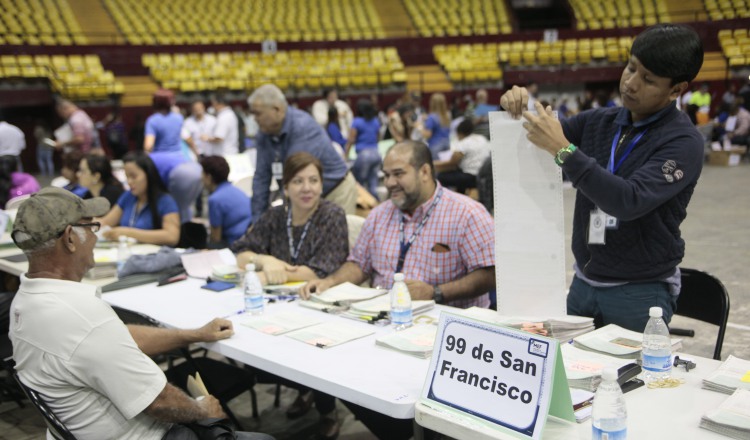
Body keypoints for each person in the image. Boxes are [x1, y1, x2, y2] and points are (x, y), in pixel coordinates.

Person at [8, 187, 272, 440]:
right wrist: (203, 409)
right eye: (91, 227)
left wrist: (191, 335)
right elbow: (160, 402)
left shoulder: (26, 303)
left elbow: (115, 338)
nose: (96, 238)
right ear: (69, 239)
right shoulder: (81, 317)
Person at [500, 23, 705, 332]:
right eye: (631, 68)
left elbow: (628, 200)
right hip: (584, 281)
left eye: (648, 79)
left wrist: (564, 151)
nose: (631, 83)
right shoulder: (600, 121)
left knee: (628, 378)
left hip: (640, 290)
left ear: (676, 90)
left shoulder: (683, 142)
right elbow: (541, 137)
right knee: (569, 371)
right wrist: (517, 108)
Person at [301, 141, 494, 439]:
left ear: (426, 171)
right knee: (333, 371)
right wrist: (328, 282)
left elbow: (490, 274)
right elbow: (359, 264)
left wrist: (436, 292)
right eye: (386, 175)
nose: (389, 182)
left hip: (447, 341)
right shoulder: (379, 216)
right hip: (381, 332)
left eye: (398, 174)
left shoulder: (467, 213)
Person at [232, 152, 348, 440]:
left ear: (322, 184)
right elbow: (241, 251)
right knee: (256, 356)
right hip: (275, 305)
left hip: (318, 305)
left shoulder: (332, 215)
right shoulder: (276, 214)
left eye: (313, 180)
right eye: (298, 181)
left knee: (312, 350)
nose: (306, 188)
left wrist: (276, 273)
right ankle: (305, 389)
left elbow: (321, 270)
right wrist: (263, 261)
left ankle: (326, 409)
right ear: (285, 187)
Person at [248, 84, 357, 219]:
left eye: (258, 113)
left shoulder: (302, 127)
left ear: (277, 109)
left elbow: (296, 178)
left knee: (336, 236)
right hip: (308, 195)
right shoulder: (263, 134)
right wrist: (258, 221)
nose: (255, 119)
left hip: (336, 191)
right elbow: (261, 178)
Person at [144, 89, 203, 223]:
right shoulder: (178, 118)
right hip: (180, 159)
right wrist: (197, 153)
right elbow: (187, 138)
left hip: (159, 162)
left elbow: (148, 145)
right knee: (183, 204)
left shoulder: (153, 121)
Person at [99, 151, 180, 246]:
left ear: (148, 174)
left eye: (133, 176)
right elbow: (105, 222)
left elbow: (172, 236)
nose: (129, 182)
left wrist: (128, 233)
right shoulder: (128, 197)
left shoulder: (165, 201)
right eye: (127, 177)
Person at [200, 155, 252, 246]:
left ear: (208, 177)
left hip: (233, 244)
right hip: (248, 238)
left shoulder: (215, 200)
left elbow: (216, 238)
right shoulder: (237, 190)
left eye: (202, 174)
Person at [435, 118, 491, 194]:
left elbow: (452, 163)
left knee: (441, 176)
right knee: (459, 173)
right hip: (484, 174)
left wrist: (435, 163)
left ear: (460, 132)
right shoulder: (481, 138)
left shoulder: (464, 143)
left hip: (471, 177)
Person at [344, 98, 382, 198]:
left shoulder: (357, 122)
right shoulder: (375, 121)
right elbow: (378, 137)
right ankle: (376, 207)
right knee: (373, 186)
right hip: (376, 154)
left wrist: (345, 155)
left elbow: (351, 140)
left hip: (364, 155)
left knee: (359, 185)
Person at [418, 93, 451, 160]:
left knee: (436, 168)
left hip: (435, 146)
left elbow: (427, 134)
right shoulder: (447, 115)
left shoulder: (431, 117)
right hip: (446, 144)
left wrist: (419, 127)